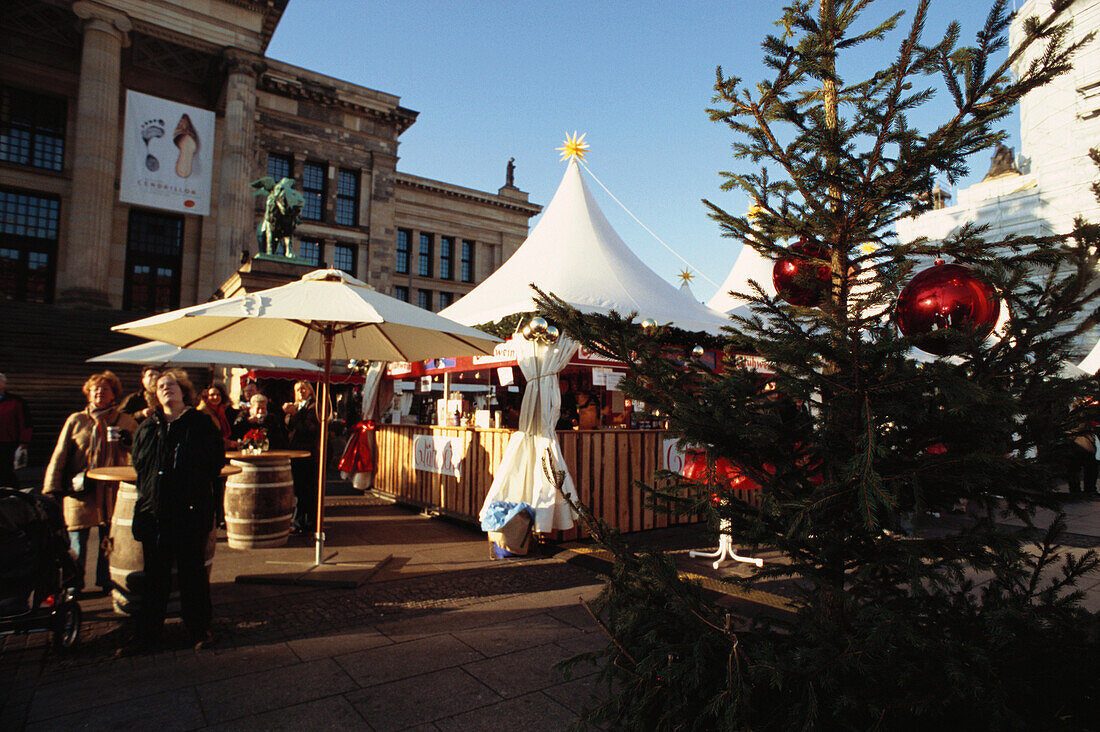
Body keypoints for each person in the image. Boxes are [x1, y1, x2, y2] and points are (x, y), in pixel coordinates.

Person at [130, 369, 225, 651]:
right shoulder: (148, 426)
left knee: (192, 574)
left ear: (184, 391)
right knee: (154, 576)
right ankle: (148, 635)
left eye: (172, 384)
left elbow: (214, 462)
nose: (167, 388)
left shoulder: (200, 423)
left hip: (189, 510)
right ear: (155, 395)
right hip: (155, 512)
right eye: (161, 386)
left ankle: (199, 630)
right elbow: (139, 464)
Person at [43, 371, 138, 594]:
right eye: (95, 389)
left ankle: (106, 581)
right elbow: (60, 455)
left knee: (109, 538)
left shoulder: (125, 421)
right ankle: (73, 584)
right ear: (88, 393)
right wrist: (51, 488)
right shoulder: (76, 420)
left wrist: (127, 443)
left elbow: (138, 453)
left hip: (112, 489)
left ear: (114, 394)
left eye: (105, 389)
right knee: (77, 539)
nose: (99, 392)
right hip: (79, 489)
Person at [283, 381, 320, 535]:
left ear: (310, 391)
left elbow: (308, 428)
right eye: (298, 390)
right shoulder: (298, 406)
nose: (301, 392)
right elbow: (289, 426)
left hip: (308, 453)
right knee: (299, 488)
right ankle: (300, 522)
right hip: (296, 453)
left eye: (304, 389)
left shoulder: (314, 407)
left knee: (308, 489)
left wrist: (294, 414)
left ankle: (306, 522)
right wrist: (290, 415)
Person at [0, 372, 32, 489]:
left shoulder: (16, 402)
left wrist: (24, 442)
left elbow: (26, 423)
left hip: (8, 443)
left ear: (3, 384)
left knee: (6, 470)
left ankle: (12, 495)